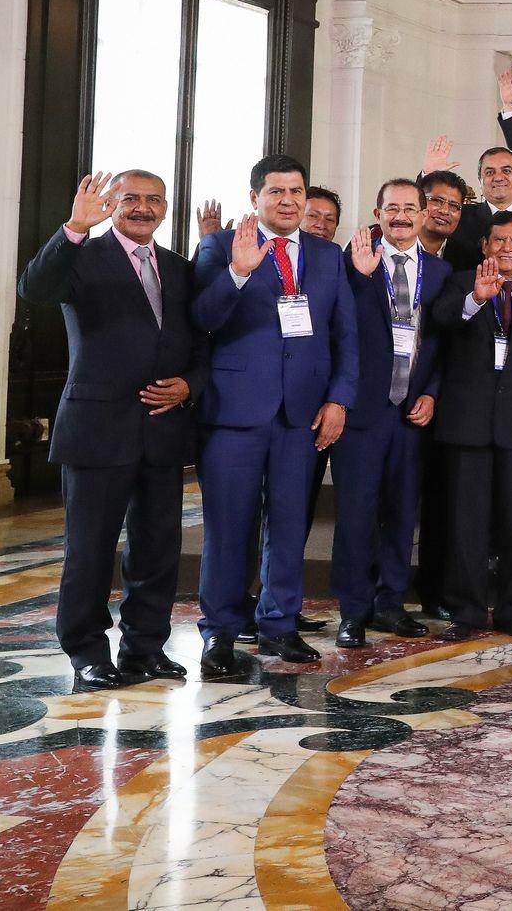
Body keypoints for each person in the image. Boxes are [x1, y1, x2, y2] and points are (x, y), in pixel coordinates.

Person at [20, 171, 206, 687]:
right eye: (131, 198)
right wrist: (75, 228)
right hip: (97, 426)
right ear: (111, 203)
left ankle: (145, 647)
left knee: (157, 546)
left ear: (165, 208)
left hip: (163, 427)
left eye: (153, 200)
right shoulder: (82, 255)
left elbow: (201, 342)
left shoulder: (179, 268)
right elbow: (35, 288)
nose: (143, 208)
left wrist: (191, 385)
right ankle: (86, 651)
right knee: (90, 547)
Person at [188, 155, 356, 677]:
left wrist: (339, 399)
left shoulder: (328, 256)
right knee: (228, 527)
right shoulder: (220, 246)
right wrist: (238, 272)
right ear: (254, 197)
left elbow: (345, 335)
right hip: (235, 412)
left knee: (288, 524)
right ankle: (220, 632)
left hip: (301, 414)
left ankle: (280, 625)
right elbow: (202, 319)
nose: (288, 200)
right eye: (276, 191)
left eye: (296, 191)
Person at [428, 212, 512, 640]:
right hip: (467, 424)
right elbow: (442, 319)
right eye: (499, 240)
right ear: (485, 245)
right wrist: (475, 298)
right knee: (466, 524)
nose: (507, 248)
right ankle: (466, 612)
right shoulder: (459, 282)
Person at [329, 181, 448, 648]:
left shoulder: (439, 272)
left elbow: (443, 342)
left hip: (413, 412)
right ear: (377, 212)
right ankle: (352, 611)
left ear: (424, 215)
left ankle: (390, 603)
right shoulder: (355, 262)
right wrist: (360, 277)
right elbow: (340, 327)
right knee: (356, 513)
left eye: (409, 208)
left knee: (401, 513)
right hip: (365, 409)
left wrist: (433, 393)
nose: (400, 216)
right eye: (391, 208)